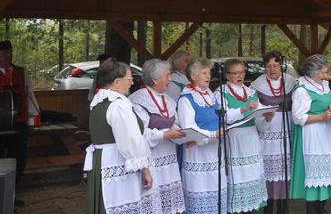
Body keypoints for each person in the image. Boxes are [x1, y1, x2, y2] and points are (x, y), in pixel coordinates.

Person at [85, 58, 160, 214]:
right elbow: (130, 141)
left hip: (101, 163)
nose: (132, 83)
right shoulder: (118, 104)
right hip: (116, 163)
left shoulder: (98, 101)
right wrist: (145, 170)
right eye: (129, 79)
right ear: (117, 82)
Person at [178, 58, 235, 214]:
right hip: (199, 155)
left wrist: (224, 125)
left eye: (209, 72)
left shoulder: (210, 94)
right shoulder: (186, 98)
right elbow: (189, 128)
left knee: (217, 192)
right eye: (204, 73)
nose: (208, 76)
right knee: (202, 193)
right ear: (193, 75)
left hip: (215, 151)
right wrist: (213, 134)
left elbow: (221, 115)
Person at [129, 59, 186, 214]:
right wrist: (164, 134)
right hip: (151, 159)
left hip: (169, 158)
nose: (170, 79)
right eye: (167, 75)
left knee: (169, 204)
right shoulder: (138, 100)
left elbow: (176, 123)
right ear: (155, 79)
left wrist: (183, 133)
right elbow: (138, 133)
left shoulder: (169, 100)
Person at [217, 59, 269, 213]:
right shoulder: (221, 92)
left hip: (252, 138)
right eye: (236, 73)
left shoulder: (251, 92)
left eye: (242, 72)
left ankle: (251, 208)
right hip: (235, 138)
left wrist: (266, 118)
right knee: (238, 177)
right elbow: (223, 117)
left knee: (252, 176)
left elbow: (259, 124)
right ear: (227, 75)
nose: (240, 75)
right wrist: (244, 108)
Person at [290, 54, 331, 214]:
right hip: (312, 137)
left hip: (327, 136)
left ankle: (322, 209)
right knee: (314, 177)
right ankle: (313, 211)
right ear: (314, 72)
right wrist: (322, 116)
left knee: (325, 176)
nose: (326, 75)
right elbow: (298, 117)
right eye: (324, 72)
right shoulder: (302, 89)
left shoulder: (325, 85)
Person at [250, 51, 297, 214]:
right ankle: (268, 209)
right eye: (268, 66)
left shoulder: (292, 82)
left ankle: (284, 209)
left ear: (281, 66)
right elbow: (253, 113)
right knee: (269, 175)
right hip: (268, 135)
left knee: (284, 174)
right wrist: (264, 119)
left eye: (275, 65)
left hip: (286, 133)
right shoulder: (257, 85)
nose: (272, 69)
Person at [0, 40, 39, 207]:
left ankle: (11, 195)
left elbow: (29, 95)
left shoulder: (21, 72)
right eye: (4, 53)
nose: (8, 55)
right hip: (0, 125)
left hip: (19, 123)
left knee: (19, 160)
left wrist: (31, 120)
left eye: (10, 52)